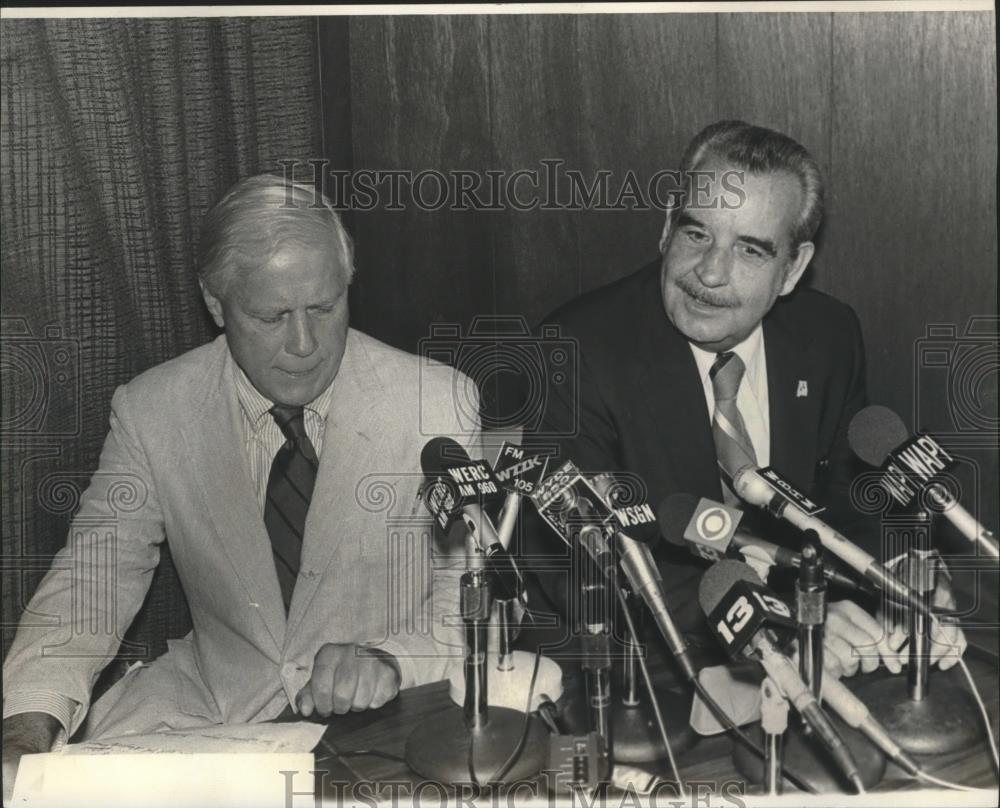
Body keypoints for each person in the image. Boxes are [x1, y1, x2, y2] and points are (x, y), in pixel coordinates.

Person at [2, 174, 478, 792]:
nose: (304, 345)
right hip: (205, 712)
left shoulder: (436, 405)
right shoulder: (154, 411)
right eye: (272, 316)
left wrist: (390, 659)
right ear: (216, 303)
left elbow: (471, 597)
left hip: (386, 722)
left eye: (324, 308)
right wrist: (24, 727)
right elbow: (94, 580)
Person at [520, 120, 964, 677]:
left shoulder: (829, 336)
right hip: (635, 664)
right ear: (665, 229)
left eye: (750, 251)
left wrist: (903, 573)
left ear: (793, 269)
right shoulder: (577, 348)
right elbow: (582, 563)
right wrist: (779, 624)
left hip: (808, 655)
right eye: (696, 234)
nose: (709, 272)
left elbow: (853, 500)